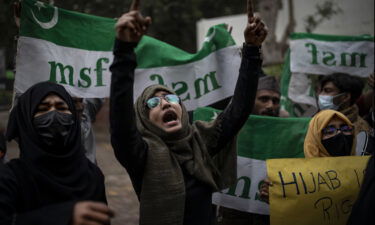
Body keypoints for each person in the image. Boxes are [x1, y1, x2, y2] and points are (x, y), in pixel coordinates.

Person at [109, 0, 267, 224]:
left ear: (182, 109)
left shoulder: (201, 141)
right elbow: (120, 123)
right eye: (153, 103)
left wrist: (251, 50)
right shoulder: (139, 154)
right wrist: (124, 50)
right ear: (144, 119)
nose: (165, 104)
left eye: (171, 98)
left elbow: (239, 111)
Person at [0, 82, 113, 225]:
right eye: (43, 108)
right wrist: (64, 216)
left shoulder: (92, 175)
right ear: (27, 121)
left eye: (61, 107)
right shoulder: (10, 178)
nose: (54, 113)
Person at [217, 75, 281, 225]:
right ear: (251, 100)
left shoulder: (285, 134)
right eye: (264, 99)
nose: (270, 105)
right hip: (231, 214)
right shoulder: (230, 129)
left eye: (275, 101)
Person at [317, 73, 372, 155]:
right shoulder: (316, 120)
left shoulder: (360, 129)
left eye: (328, 91)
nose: (321, 95)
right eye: (321, 91)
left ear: (345, 97)